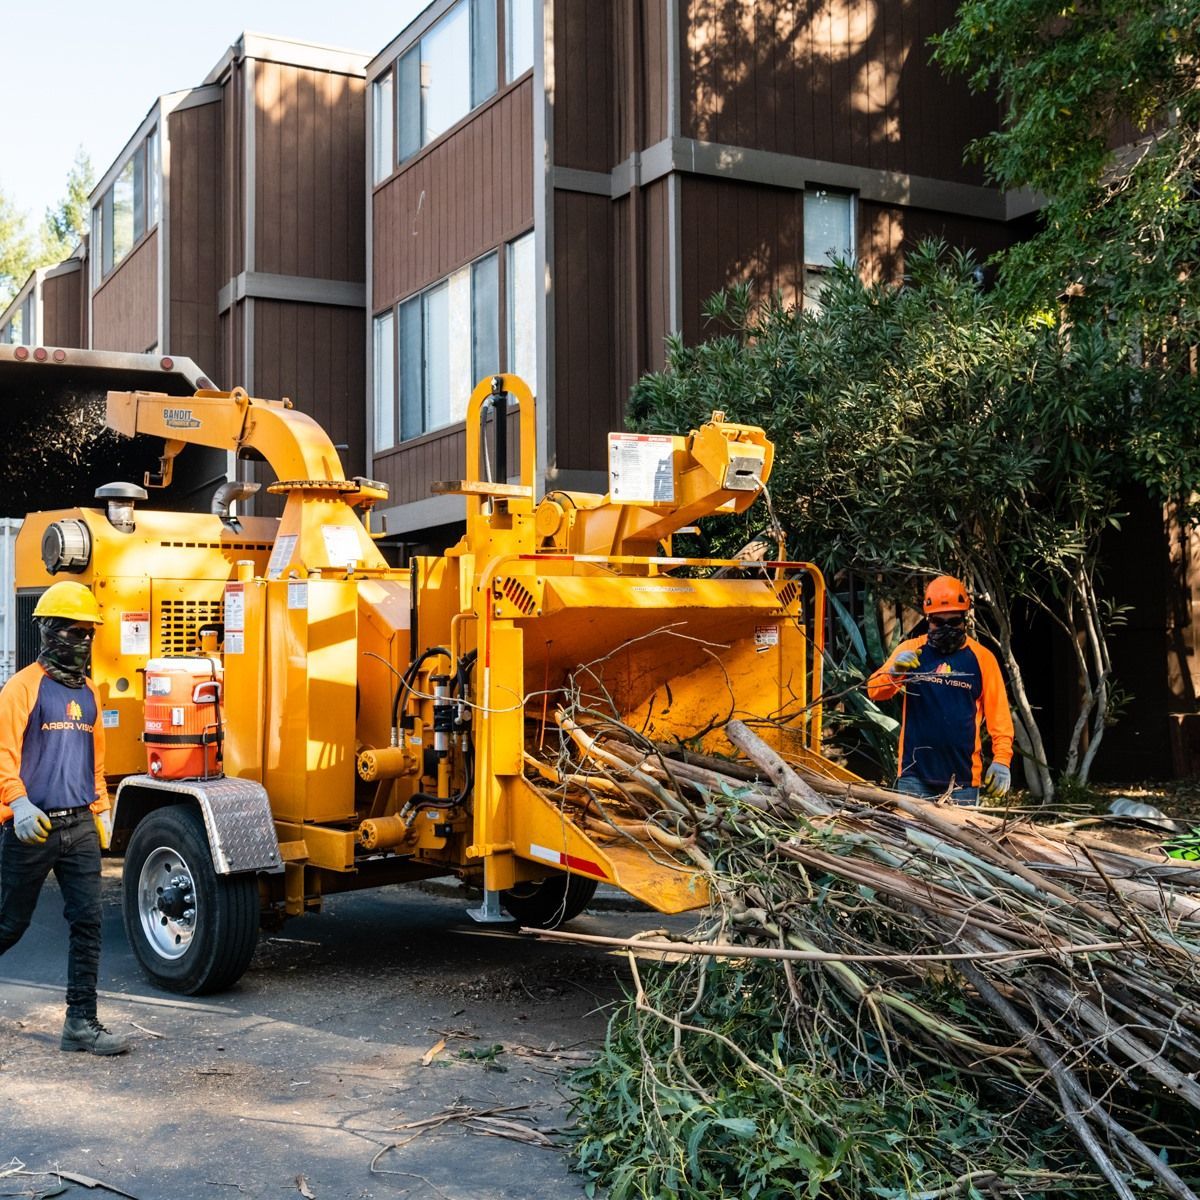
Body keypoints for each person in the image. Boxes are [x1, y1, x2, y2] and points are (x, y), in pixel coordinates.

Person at [0, 580, 129, 1055]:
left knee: (88, 924)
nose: (83, 642)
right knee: (8, 924)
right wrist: (17, 802)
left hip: (77, 828)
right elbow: (2, 755)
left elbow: (93, 759)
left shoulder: (90, 693)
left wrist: (102, 807)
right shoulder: (22, 688)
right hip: (30, 829)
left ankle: (81, 1023)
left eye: (88, 633)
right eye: (74, 632)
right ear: (49, 632)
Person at [867, 575, 1014, 805]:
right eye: (938, 622)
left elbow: (1000, 718)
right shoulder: (911, 651)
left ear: (965, 619)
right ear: (928, 619)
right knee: (911, 841)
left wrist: (1002, 760)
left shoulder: (982, 659)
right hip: (914, 776)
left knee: (960, 841)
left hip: (962, 781)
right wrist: (895, 672)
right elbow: (874, 690)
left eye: (953, 622)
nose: (946, 628)